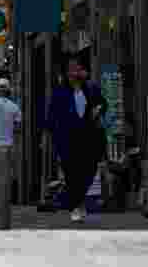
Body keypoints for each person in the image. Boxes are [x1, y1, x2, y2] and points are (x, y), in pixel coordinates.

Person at [44, 58, 108, 223]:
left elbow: (103, 103)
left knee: (88, 172)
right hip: (68, 139)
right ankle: (76, 206)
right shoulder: (60, 92)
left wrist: (99, 109)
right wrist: (51, 137)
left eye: (78, 68)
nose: (75, 72)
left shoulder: (91, 88)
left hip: (89, 138)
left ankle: (78, 202)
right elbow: (51, 117)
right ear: (67, 73)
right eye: (72, 69)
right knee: (72, 174)